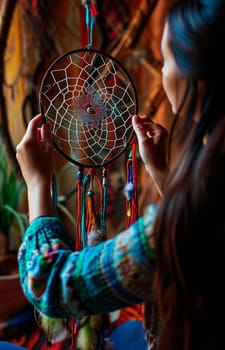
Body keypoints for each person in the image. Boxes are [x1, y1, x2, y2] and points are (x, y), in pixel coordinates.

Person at [16, 0, 225, 349]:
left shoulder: (191, 223)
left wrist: (38, 184)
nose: (162, 72)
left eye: (166, 60)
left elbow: (50, 284)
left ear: (197, 79)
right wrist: (162, 173)